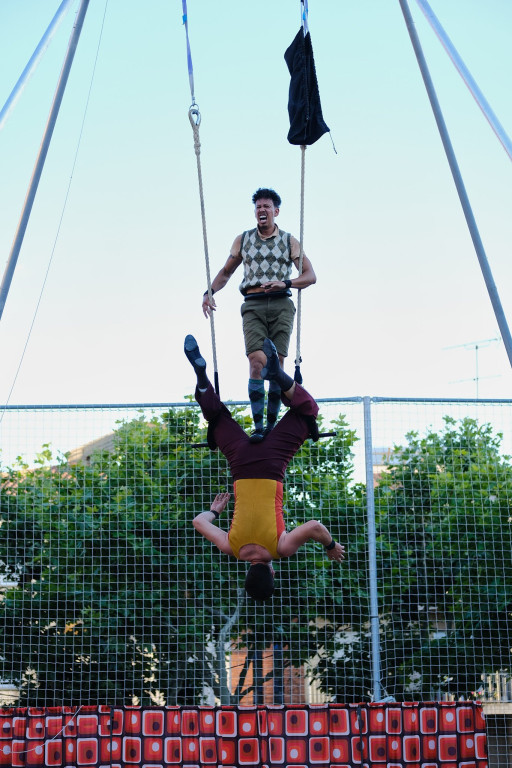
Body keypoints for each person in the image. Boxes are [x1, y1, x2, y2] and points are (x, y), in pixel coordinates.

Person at [184, 333, 345, 602]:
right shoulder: (230, 547)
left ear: (272, 574)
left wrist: (331, 546)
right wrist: (215, 510)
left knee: (308, 412)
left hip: (273, 461)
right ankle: (202, 381)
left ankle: (279, 376)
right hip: (240, 460)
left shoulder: (281, 549)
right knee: (216, 417)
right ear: (247, 574)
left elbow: (315, 527)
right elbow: (198, 522)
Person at [202, 188, 316, 443]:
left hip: (281, 305)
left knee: (276, 368)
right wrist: (209, 291)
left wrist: (285, 283)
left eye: (266, 207)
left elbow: (310, 276)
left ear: (276, 211)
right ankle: (258, 427)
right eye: (258, 207)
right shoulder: (243, 240)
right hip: (252, 304)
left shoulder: (288, 241)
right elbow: (226, 271)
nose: (261, 211)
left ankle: (272, 427)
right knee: (257, 363)